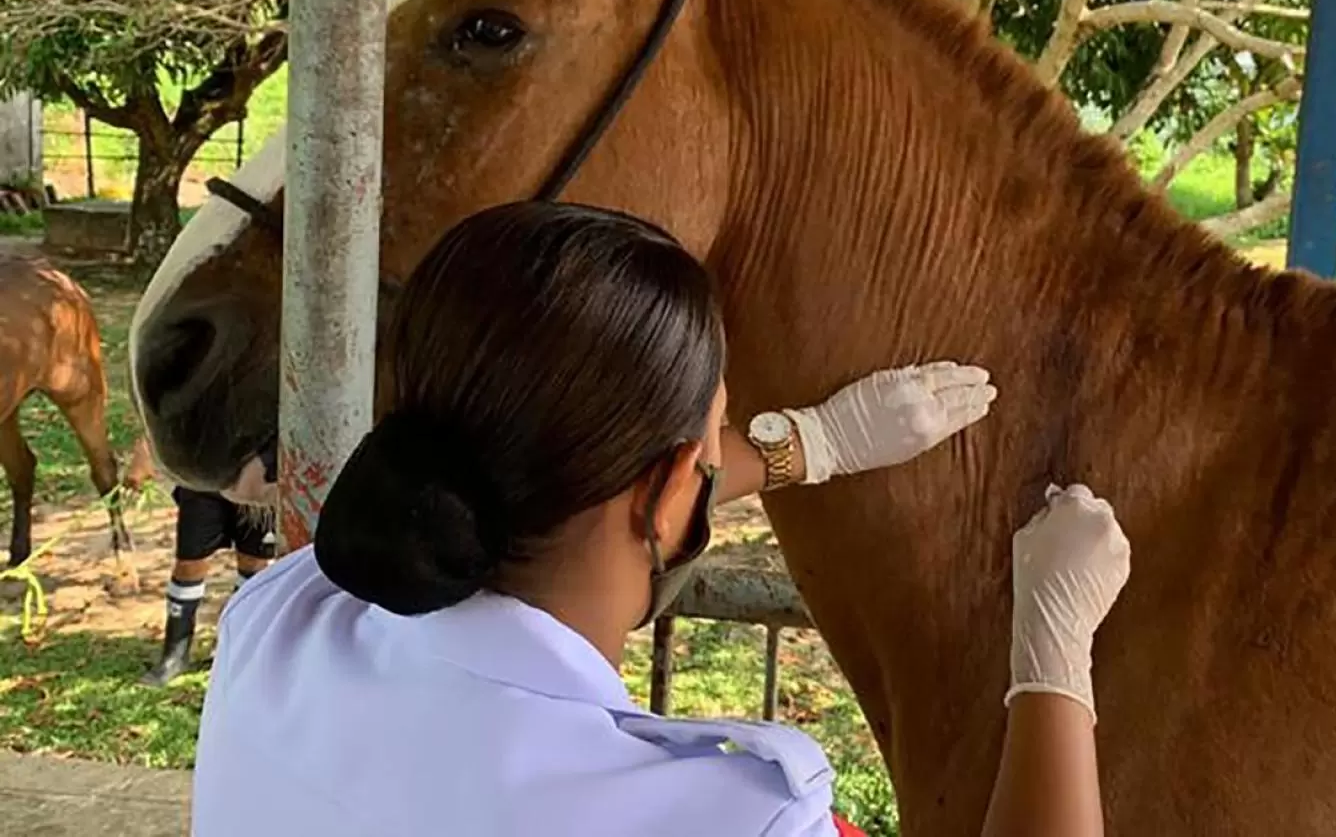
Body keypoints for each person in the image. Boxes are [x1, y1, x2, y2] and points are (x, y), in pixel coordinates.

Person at [191, 202, 1131, 837]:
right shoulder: (729, 818)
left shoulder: (279, 625)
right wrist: (1053, 653)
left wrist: (807, 445)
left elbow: (566, 481)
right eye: (713, 433)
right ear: (669, 485)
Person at [140, 454, 277, 686]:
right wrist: (141, 454)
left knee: (254, 564)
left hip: (262, 473)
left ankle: (230, 648)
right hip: (205, 474)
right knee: (190, 562)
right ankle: (175, 655)